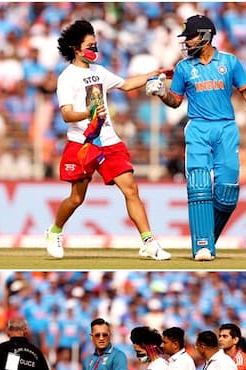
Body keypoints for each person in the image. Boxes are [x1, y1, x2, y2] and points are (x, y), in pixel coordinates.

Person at [146, 14, 246, 262]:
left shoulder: (229, 62)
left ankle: (208, 238)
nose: (186, 42)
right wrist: (162, 92)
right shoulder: (184, 67)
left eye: (191, 37)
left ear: (206, 36)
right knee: (198, 187)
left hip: (226, 129)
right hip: (198, 128)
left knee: (228, 193)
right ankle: (201, 247)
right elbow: (175, 102)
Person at [44, 19, 171, 262]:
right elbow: (67, 114)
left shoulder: (99, 71)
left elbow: (126, 85)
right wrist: (90, 113)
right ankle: (54, 232)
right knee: (76, 198)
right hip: (82, 143)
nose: (95, 50)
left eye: (96, 45)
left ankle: (148, 242)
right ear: (76, 48)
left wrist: (153, 75)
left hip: (110, 141)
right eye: (90, 45)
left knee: (131, 189)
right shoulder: (67, 77)